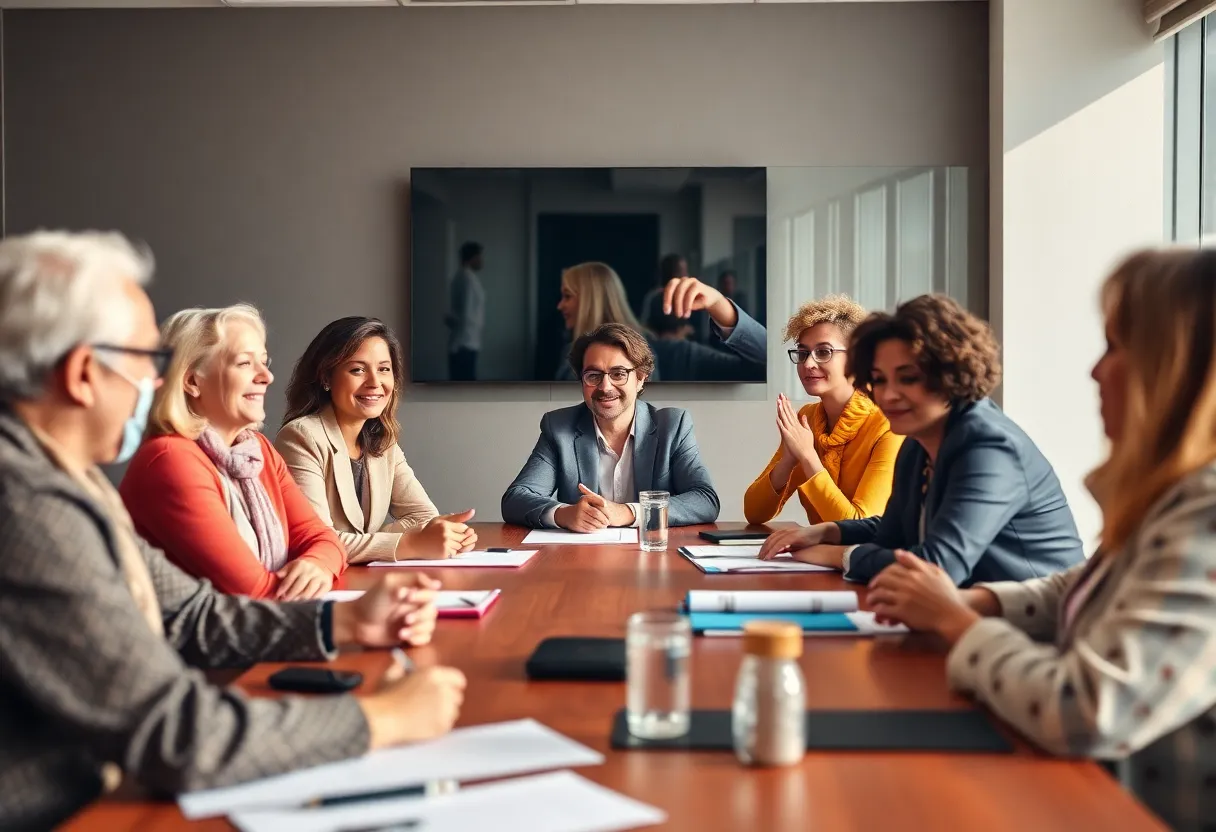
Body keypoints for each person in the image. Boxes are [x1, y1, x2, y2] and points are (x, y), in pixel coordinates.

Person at [0, 230, 465, 831]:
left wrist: (346, 620)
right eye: (148, 360)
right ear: (85, 373)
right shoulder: (27, 508)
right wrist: (384, 721)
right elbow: (174, 732)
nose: (156, 380)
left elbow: (192, 613)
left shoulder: (73, 482)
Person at [864, 249, 1216, 832]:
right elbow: (1087, 587)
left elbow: (1088, 711)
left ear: (1179, 366)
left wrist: (958, 621)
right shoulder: (1172, 493)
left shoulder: (1206, 510)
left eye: (1116, 348)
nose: (1095, 372)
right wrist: (983, 604)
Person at [759, 294, 1084, 586]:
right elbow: (894, 532)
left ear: (951, 372)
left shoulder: (989, 447)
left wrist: (836, 554)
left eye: (908, 378)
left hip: (1045, 627)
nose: (887, 394)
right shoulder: (917, 441)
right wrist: (828, 531)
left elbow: (938, 567)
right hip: (972, 616)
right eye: (879, 379)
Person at [120, 304, 346, 600]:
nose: (266, 376)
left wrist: (315, 565)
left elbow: (324, 539)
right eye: (244, 364)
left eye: (264, 362)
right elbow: (252, 593)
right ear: (191, 381)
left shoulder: (257, 451)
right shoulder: (170, 459)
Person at [276, 316, 478, 563]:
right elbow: (317, 540)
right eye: (357, 370)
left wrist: (443, 534)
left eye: (384, 369)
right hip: (319, 585)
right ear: (326, 378)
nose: (375, 383)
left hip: (361, 577)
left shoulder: (382, 439)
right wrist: (412, 543)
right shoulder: (300, 436)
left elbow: (423, 515)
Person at [502, 323, 719, 531]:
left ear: (640, 379)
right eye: (593, 376)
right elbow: (516, 498)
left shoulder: (672, 426)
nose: (605, 387)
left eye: (618, 374)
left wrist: (627, 513)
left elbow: (704, 500)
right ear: (582, 381)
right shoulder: (559, 428)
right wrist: (563, 514)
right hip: (582, 559)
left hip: (652, 555)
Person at [744, 295, 901, 524]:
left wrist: (807, 456)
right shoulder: (806, 418)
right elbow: (754, 514)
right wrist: (788, 460)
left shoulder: (888, 426)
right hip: (818, 558)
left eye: (824, 352)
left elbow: (859, 527)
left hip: (869, 558)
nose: (808, 364)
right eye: (803, 352)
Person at [445, 241, 484, 381]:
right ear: (472, 258)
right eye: (479, 257)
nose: (481, 261)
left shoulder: (464, 277)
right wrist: (458, 345)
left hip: (466, 342)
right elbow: (465, 314)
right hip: (464, 344)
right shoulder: (466, 279)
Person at [638, 252, 688, 328]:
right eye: (679, 272)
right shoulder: (654, 298)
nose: (685, 275)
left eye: (684, 271)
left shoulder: (690, 297)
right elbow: (644, 326)